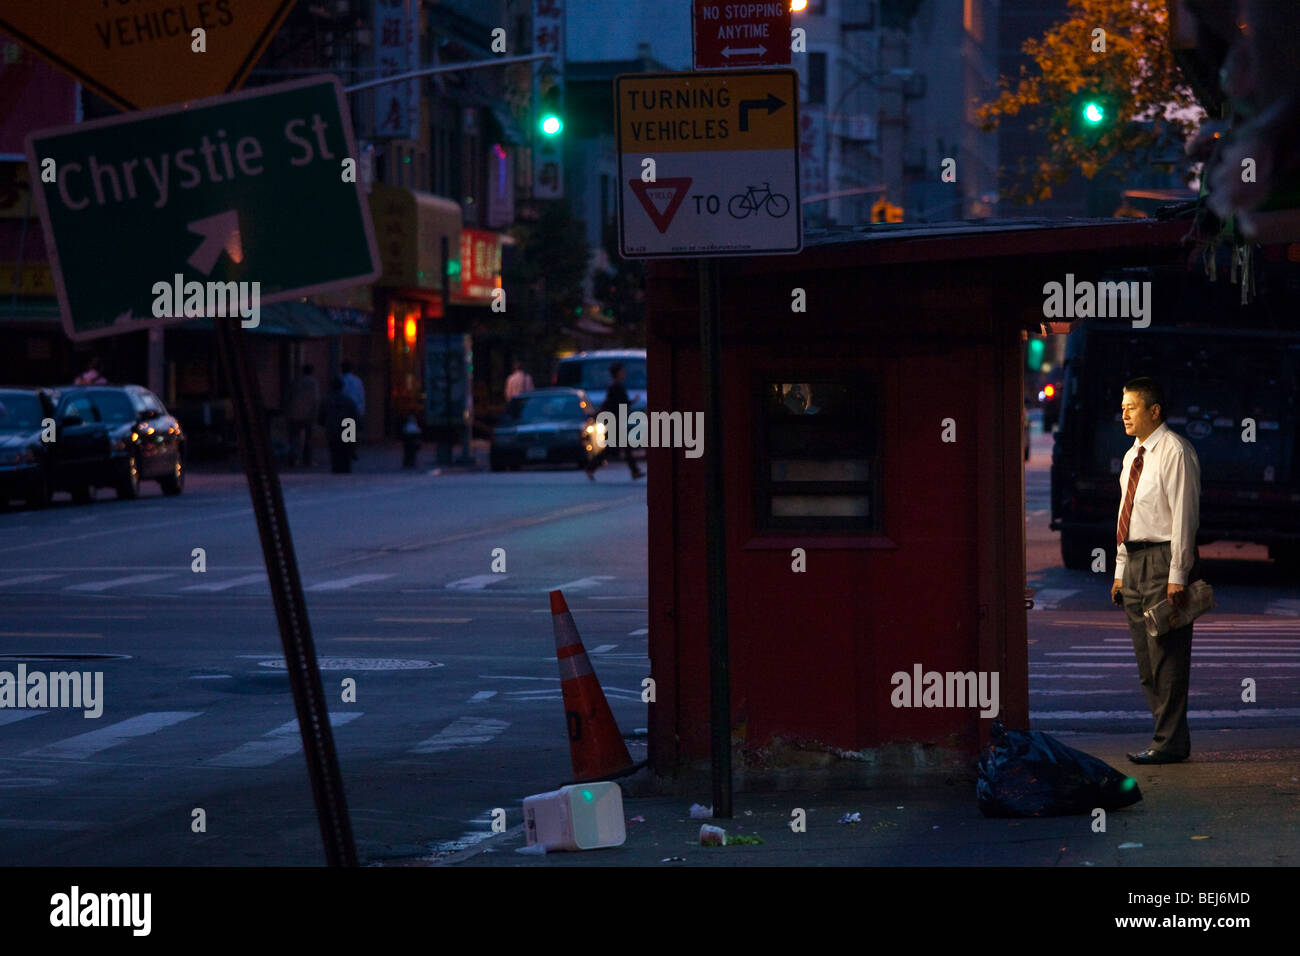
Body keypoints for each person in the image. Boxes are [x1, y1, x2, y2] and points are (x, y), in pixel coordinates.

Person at [1109, 377, 1202, 765]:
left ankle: (1168, 744)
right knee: (1146, 662)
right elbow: (1126, 515)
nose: (1124, 414)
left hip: (1163, 562)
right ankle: (1169, 739)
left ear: (1154, 411)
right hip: (1134, 562)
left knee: (1167, 658)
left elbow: (1184, 517)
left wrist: (1177, 575)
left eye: (1132, 407)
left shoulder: (1175, 452)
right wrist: (1118, 569)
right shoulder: (1133, 456)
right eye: (1123, 406)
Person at [586, 361, 643, 481]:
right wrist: (633, 401)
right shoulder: (616, 387)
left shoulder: (615, 387)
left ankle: (591, 468)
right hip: (615, 422)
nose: (624, 374)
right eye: (622, 372)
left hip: (615, 421)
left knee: (615, 448)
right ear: (617, 373)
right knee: (616, 448)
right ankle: (591, 468)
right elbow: (619, 404)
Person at [319, 376, 359, 474]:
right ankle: (345, 469)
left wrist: (325, 423)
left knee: (334, 451)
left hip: (332, 428)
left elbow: (321, 417)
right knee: (346, 452)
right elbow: (355, 416)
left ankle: (336, 469)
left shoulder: (327, 400)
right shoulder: (348, 401)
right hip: (347, 428)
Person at [286, 364, 320, 467]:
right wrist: (316, 413)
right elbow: (316, 399)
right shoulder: (313, 383)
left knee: (294, 438)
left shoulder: (297, 382)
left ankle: (293, 458)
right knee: (308, 439)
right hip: (308, 414)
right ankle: (307, 460)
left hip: (294, 413)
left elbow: (289, 396)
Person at [340, 361, 365, 460]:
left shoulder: (341, 380)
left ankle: (348, 450)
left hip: (344, 409)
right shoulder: (356, 380)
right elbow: (361, 395)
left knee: (347, 431)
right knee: (352, 431)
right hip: (355, 408)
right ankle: (351, 450)